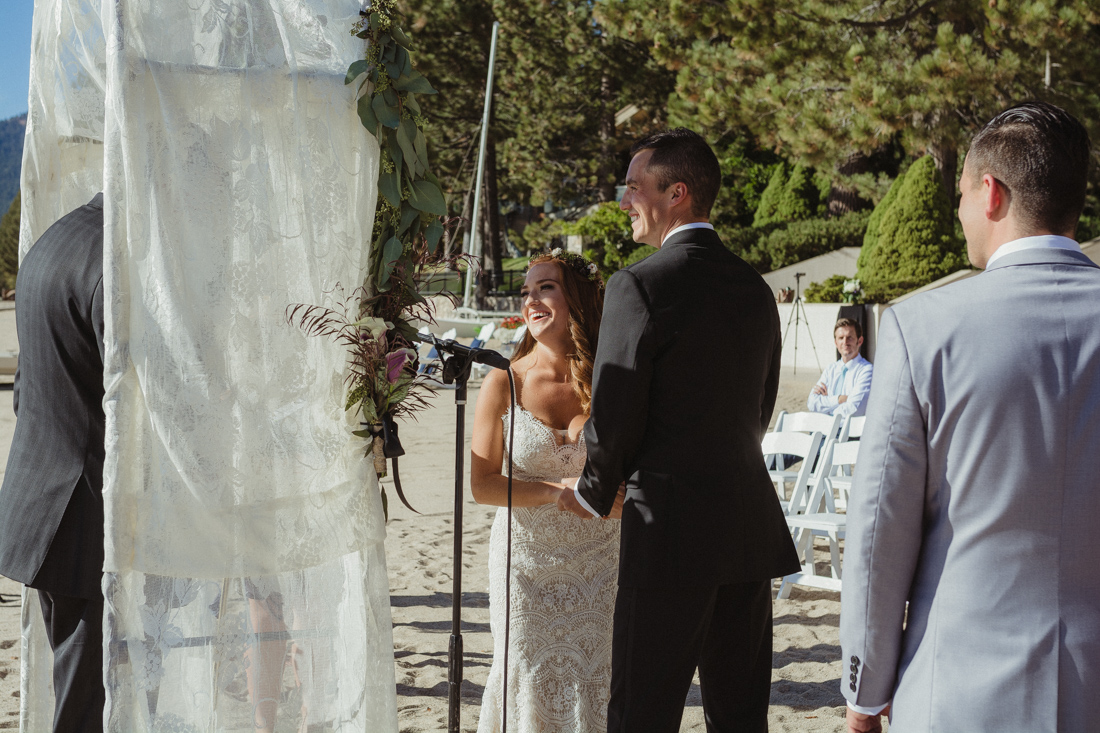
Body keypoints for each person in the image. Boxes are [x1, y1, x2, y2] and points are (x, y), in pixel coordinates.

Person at [840, 101, 1100, 733]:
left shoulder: (921, 327)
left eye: (959, 194)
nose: (957, 213)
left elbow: (880, 531)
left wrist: (864, 691)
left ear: (990, 193)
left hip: (959, 687)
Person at [558, 128, 800, 732]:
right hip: (747, 527)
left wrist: (593, 489)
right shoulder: (755, 287)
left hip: (667, 530)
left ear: (678, 194)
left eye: (635, 186)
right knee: (741, 716)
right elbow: (759, 408)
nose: (624, 200)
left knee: (642, 711)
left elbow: (614, 415)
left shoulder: (637, 284)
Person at [471, 250, 621, 733]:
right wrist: (557, 491)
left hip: (602, 562)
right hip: (524, 563)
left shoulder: (612, 379)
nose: (532, 300)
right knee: (525, 674)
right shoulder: (503, 380)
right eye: (527, 291)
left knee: (597, 678)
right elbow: (482, 484)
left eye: (546, 288)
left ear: (575, 297)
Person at [0, 193, 106, 731]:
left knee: (78, 690)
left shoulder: (54, 239)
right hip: (84, 518)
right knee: (85, 705)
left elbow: (25, 390)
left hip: (39, 501)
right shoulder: (114, 264)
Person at [807, 318, 873, 418]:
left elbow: (854, 409)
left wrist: (826, 408)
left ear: (860, 341)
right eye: (841, 338)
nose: (845, 342)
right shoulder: (830, 369)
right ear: (836, 343)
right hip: (824, 430)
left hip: (847, 432)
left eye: (849, 337)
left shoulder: (867, 370)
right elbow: (811, 403)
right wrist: (839, 399)